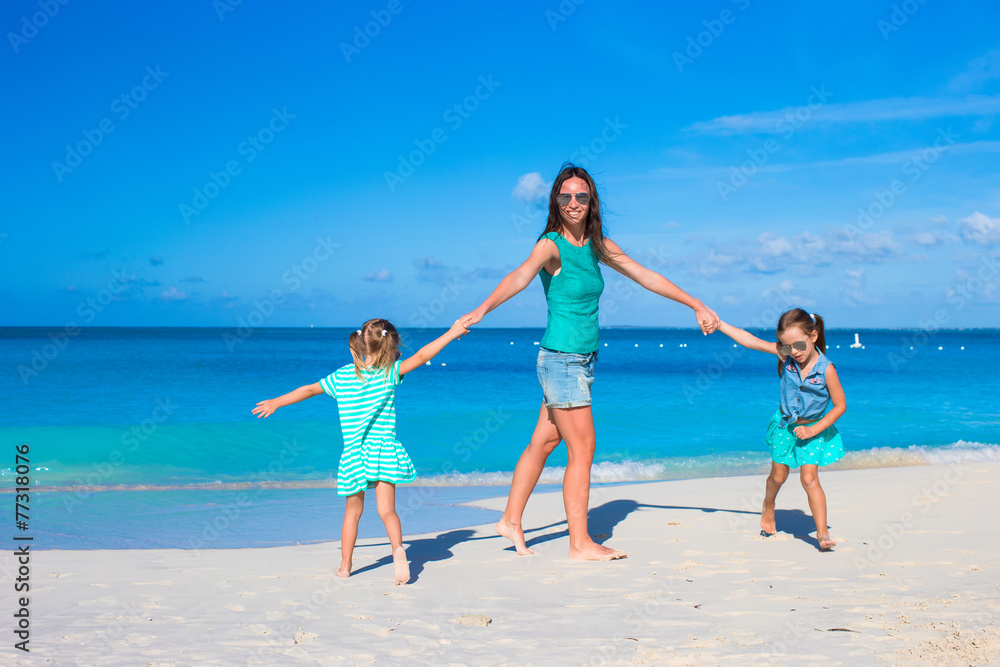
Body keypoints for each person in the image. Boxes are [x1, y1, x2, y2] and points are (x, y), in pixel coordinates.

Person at [460, 164, 719, 560]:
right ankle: (579, 544)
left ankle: (510, 519)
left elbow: (645, 275)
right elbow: (519, 276)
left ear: (591, 200)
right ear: (555, 201)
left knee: (544, 442)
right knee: (582, 450)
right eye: (565, 197)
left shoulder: (597, 245)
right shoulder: (550, 244)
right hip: (562, 361)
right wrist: (481, 311)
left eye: (581, 196)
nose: (573, 203)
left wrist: (695, 303)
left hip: (580, 361)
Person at [252, 317, 469, 583]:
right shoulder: (391, 372)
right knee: (387, 511)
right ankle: (398, 550)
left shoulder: (342, 376)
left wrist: (277, 402)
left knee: (352, 513)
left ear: (359, 343)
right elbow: (424, 354)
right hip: (384, 451)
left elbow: (309, 389)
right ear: (390, 342)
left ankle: (345, 566)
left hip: (354, 455)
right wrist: (451, 332)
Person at [716, 308, 846, 550]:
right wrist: (719, 323)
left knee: (809, 478)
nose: (793, 352)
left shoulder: (826, 369)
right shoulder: (786, 356)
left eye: (798, 344)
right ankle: (768, 505)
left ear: (814, 336)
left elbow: (840, 406)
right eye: (786, 347)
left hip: (813, 431)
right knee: (779, 476)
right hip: (785, 427)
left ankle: (821, 531)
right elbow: (750, 341)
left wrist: (814, 430)